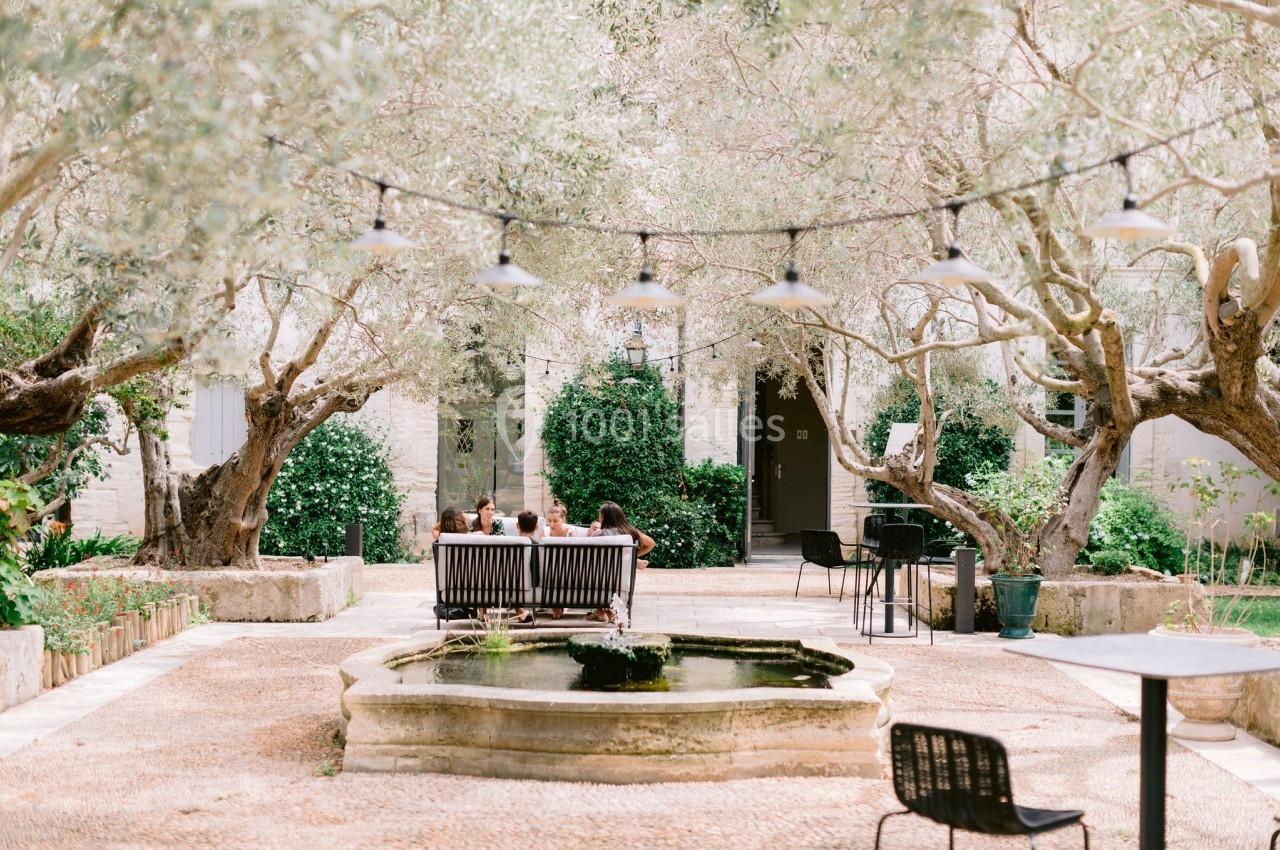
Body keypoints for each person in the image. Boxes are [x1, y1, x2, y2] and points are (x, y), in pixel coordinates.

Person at [587, 501, 655, 621]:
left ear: (603, 517)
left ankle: (600, 610)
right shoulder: (629, 532)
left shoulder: (598, 534)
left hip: (599, 577)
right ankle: (610, 610)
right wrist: (632, 556)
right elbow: (650, 543)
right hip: (620, 578)